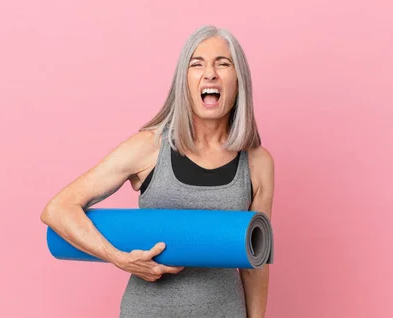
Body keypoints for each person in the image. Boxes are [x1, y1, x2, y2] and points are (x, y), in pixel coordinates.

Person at [40, 24, 275, 317]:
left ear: (239, 80)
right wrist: (118, 258)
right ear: (184, 81)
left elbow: (256, 264)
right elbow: (58, 209)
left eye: (223, 63)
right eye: (197, 64)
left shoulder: (257, 162)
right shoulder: (149, 147)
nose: (210, 73)